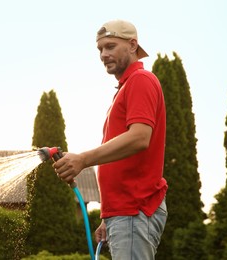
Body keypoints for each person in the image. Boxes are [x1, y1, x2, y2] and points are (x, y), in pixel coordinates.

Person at [53, 19, 168, 259]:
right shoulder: (125, 88)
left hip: (135, 209)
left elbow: (139, 138)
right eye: (100, 49)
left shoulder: (141, 81)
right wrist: (108, 215)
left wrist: (83, 159)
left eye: (111, 46)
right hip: (124, 212)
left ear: (133, 45)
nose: (104, 54)